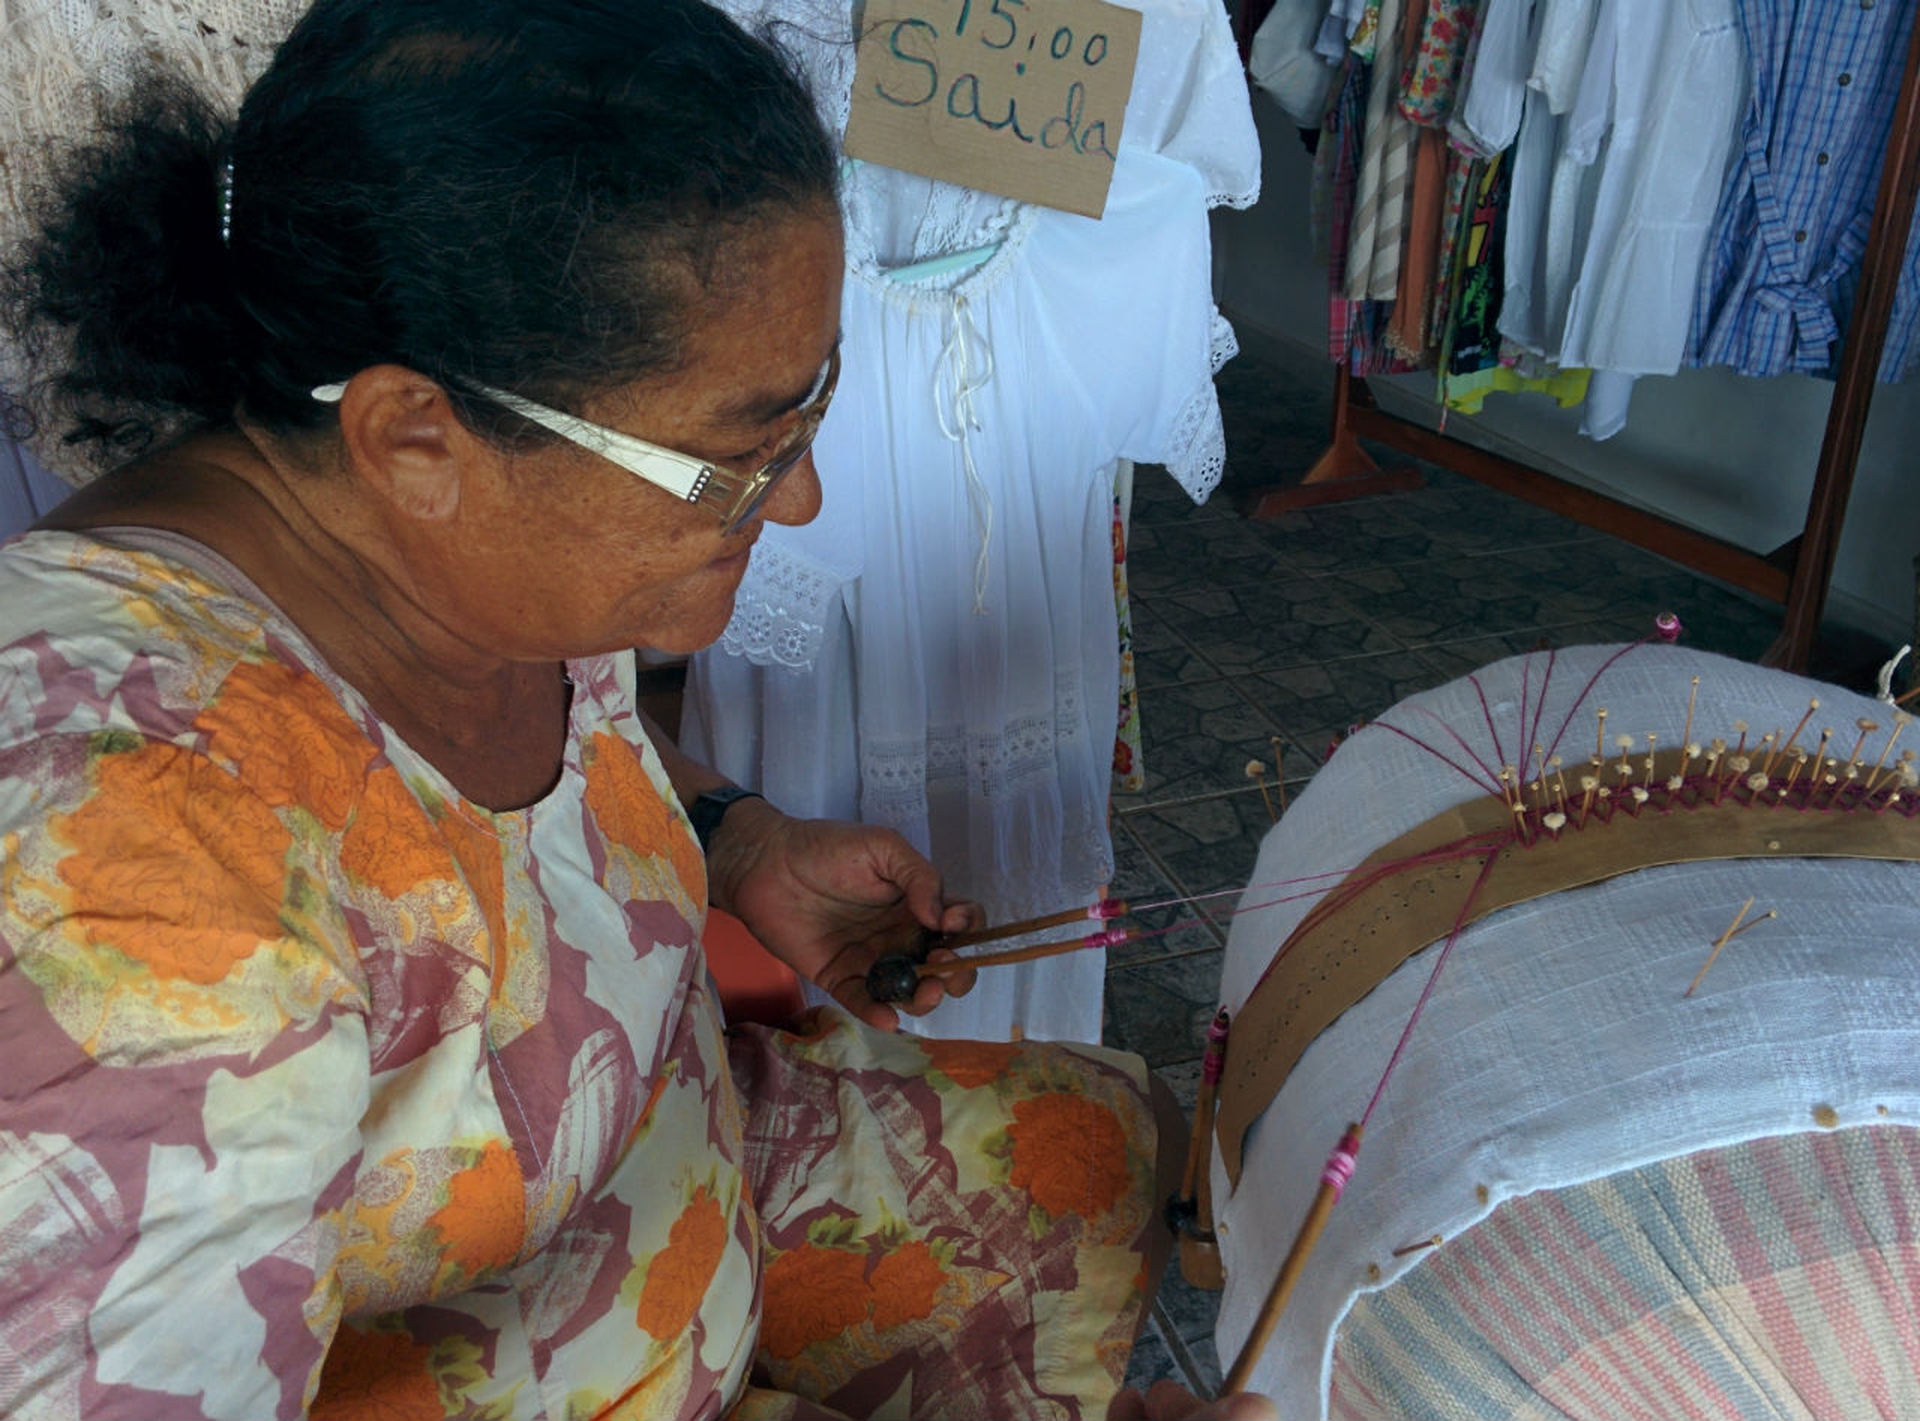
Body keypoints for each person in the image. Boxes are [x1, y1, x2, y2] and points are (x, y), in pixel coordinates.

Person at [0, 2, 1276, 1418]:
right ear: (414, 436)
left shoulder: (474, 548)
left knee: (1130, 1139)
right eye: (742, 456)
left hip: (662, 1176)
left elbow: (518, 774)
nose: (800, 500)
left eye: (815, 413)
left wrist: (731, 839)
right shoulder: (116, 878)